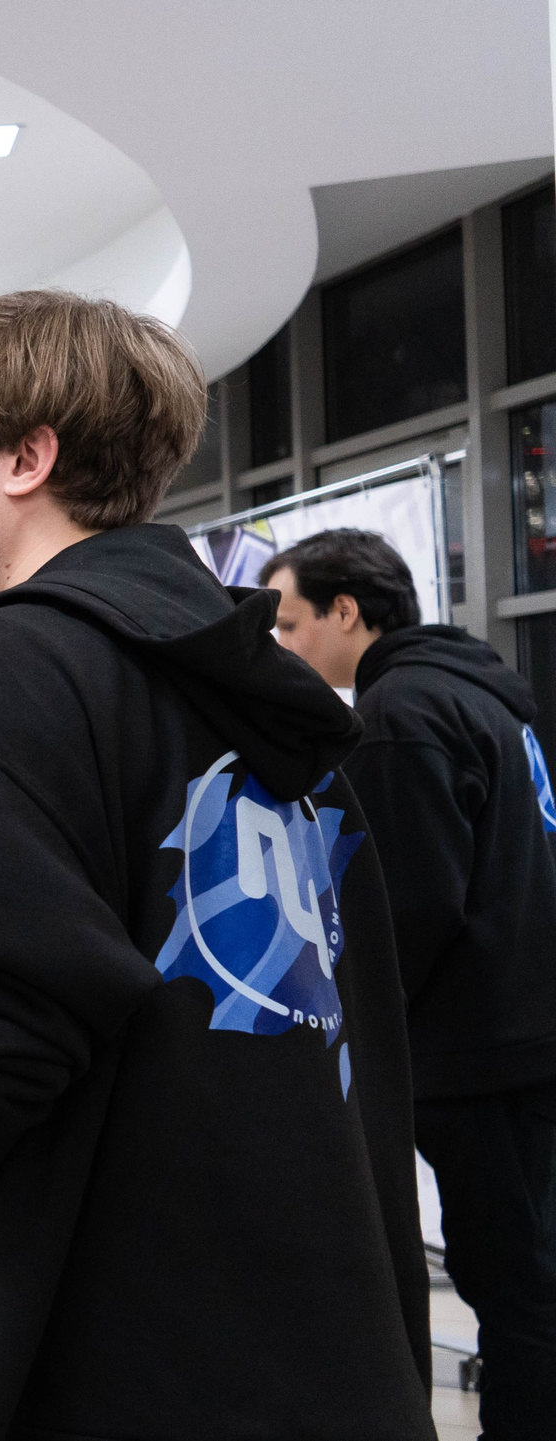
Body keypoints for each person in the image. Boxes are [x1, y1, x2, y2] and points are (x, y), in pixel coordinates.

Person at [0, 290, 430, 1441]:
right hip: (311, 1333)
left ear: (27, 456)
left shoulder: (11, 660)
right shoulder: (261, 696)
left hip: (108, 1336)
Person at [264, 527, 556, 1435]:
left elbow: (404, 917)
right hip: (523, 1041)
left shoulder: (400, 715)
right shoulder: (485, 693)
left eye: (289, 623)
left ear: (345, 610)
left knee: (520, 1299)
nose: (282, 647)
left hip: (483, 1060)